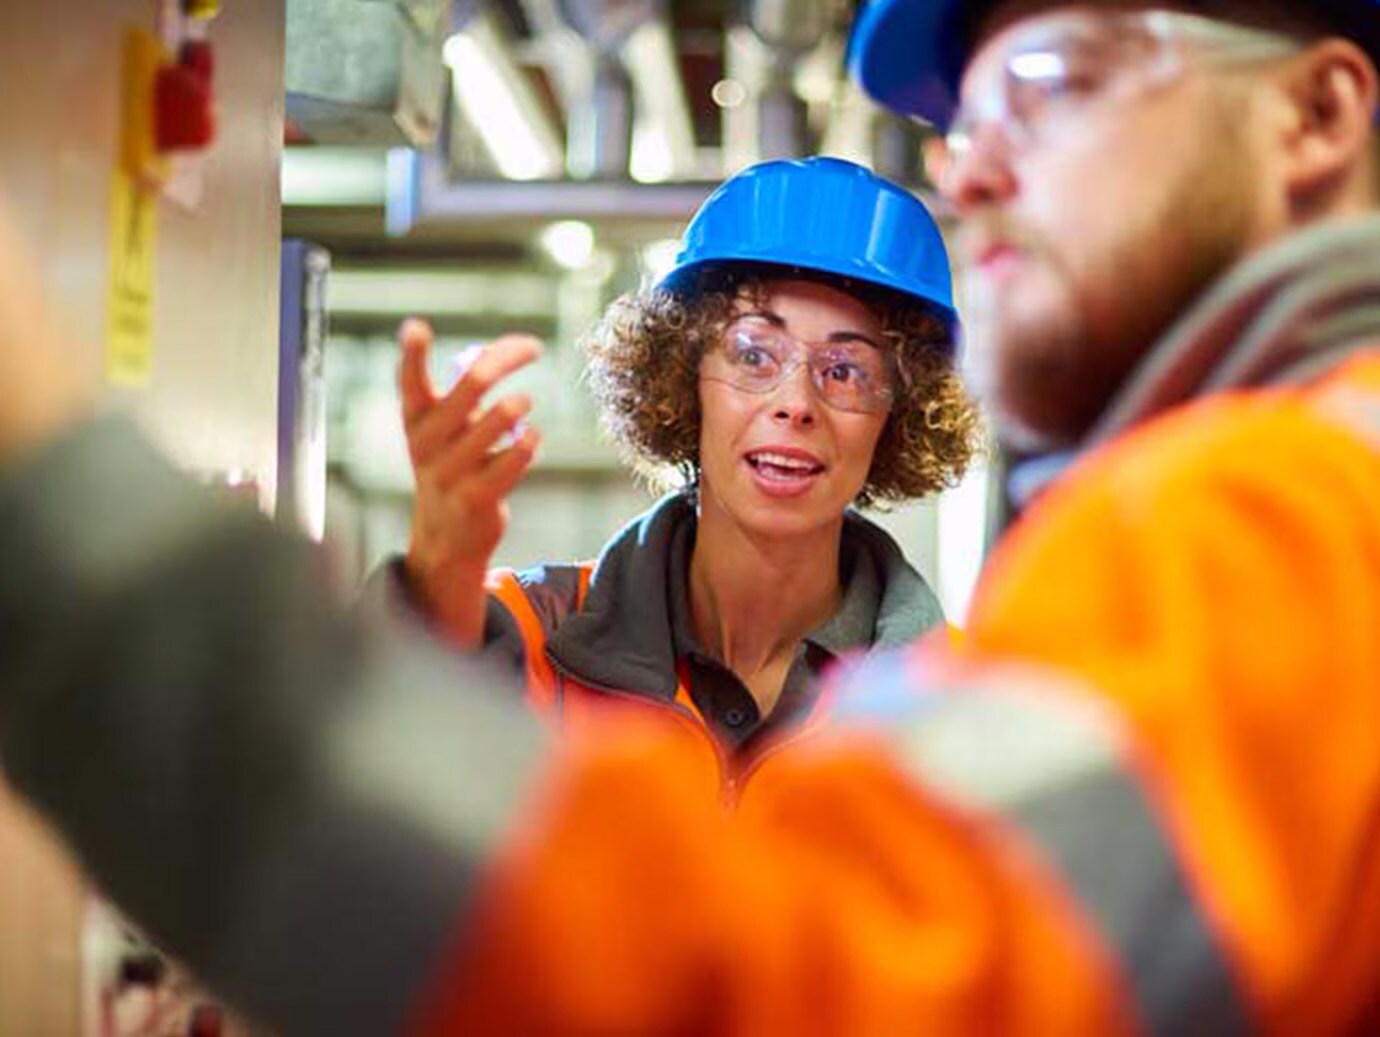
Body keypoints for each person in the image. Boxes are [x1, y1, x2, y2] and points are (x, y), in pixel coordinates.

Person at [6, 1, 1380, 1034]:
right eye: (756, 352)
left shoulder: (1269, 522)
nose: (970, 175)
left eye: (1056, 85)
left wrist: (78, 531)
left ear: (1316, 117)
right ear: (689, 383)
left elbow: (777, 980)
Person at [371, 155, 978, 781]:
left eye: (845, 371)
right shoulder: (529, 636)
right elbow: (362, 782)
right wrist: (436, 574)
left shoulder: (957, 700)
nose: (796, 404)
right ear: (683, 377)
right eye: (753, 354)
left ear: (900, 414)